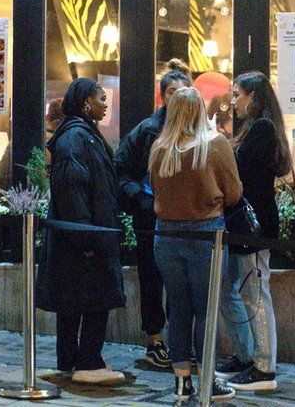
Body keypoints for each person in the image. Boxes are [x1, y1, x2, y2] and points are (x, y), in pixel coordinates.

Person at [149, 87, 241, 401]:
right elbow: (234, 193)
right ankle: (208, 382)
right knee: (206, 312)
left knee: (178, 310)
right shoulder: (215, 145)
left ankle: (181, 382)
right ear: (200, 112)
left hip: (166, 236)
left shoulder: (159, 148)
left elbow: (154, 191)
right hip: (206, 235)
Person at [36, 78, 126, 385]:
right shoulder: (76, 137)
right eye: (101, 98)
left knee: (74, 301)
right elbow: (72, 189)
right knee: (92, 300)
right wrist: (86, 236)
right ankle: (88, 361)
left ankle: (71, 362)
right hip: (85, 238)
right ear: (86, 103)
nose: (105, 103)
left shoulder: (82, 135)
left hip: (83, 235)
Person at [114, 61, 192, 368]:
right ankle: (155, 341)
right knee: (152, 278)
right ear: (162, 97)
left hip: (187, 220)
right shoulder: (148, 130)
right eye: (173, 92)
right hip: (152, 220)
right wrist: (143, 202)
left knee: (182, 282)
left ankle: (180, 342)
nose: (178, 97)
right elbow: (121, 171)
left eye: (184, 92)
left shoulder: (197, 130)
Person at [217, 71, 291, 392]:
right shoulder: (257, 127)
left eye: (237, 95)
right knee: (240, 291)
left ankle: (264, 368)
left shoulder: (261, 129)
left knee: (256, 295)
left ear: (253, 97)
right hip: (247, 224)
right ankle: (249, 357)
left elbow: (240, 172)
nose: (233, 102)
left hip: (255, 225)